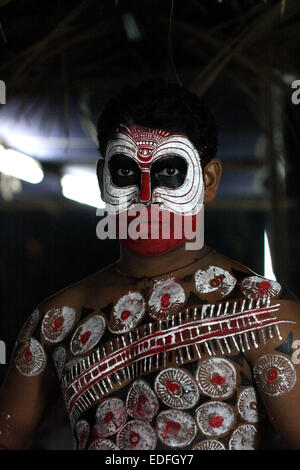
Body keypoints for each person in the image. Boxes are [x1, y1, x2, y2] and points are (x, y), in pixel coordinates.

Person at [1, 79, 300, 451]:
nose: (145, 196)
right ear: (101, 179)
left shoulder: (266, 314)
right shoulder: (55, 321)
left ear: (208, 181)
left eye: (169, 173)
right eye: (126, 172)